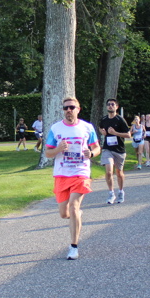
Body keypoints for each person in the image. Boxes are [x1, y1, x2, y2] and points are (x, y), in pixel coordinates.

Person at [45, 96, 101, 260]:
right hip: (62, 174)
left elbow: (97, 147)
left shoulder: (87, 127)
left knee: (74, 206)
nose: (68, 110)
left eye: (71, 107)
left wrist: (91, 153)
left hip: (80, 173)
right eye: (65, 108)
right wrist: (58, 149)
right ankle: (76, 216)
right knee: (64, 213)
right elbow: (47, 153)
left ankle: (73, 247)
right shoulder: (55, 129)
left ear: (78, 109)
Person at [99, 98, 130, 204]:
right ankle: (111, 193)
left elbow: (128, 135)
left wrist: (115, 133)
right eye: (108, 104)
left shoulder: (120, 120)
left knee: (119, 173)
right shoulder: (104, 119)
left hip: (119, 150)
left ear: (117, 106)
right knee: (108, 172)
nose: (110, 106)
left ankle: (121, 191)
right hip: (107, 148)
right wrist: (102, 131)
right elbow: (100, 127)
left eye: (112, 104)